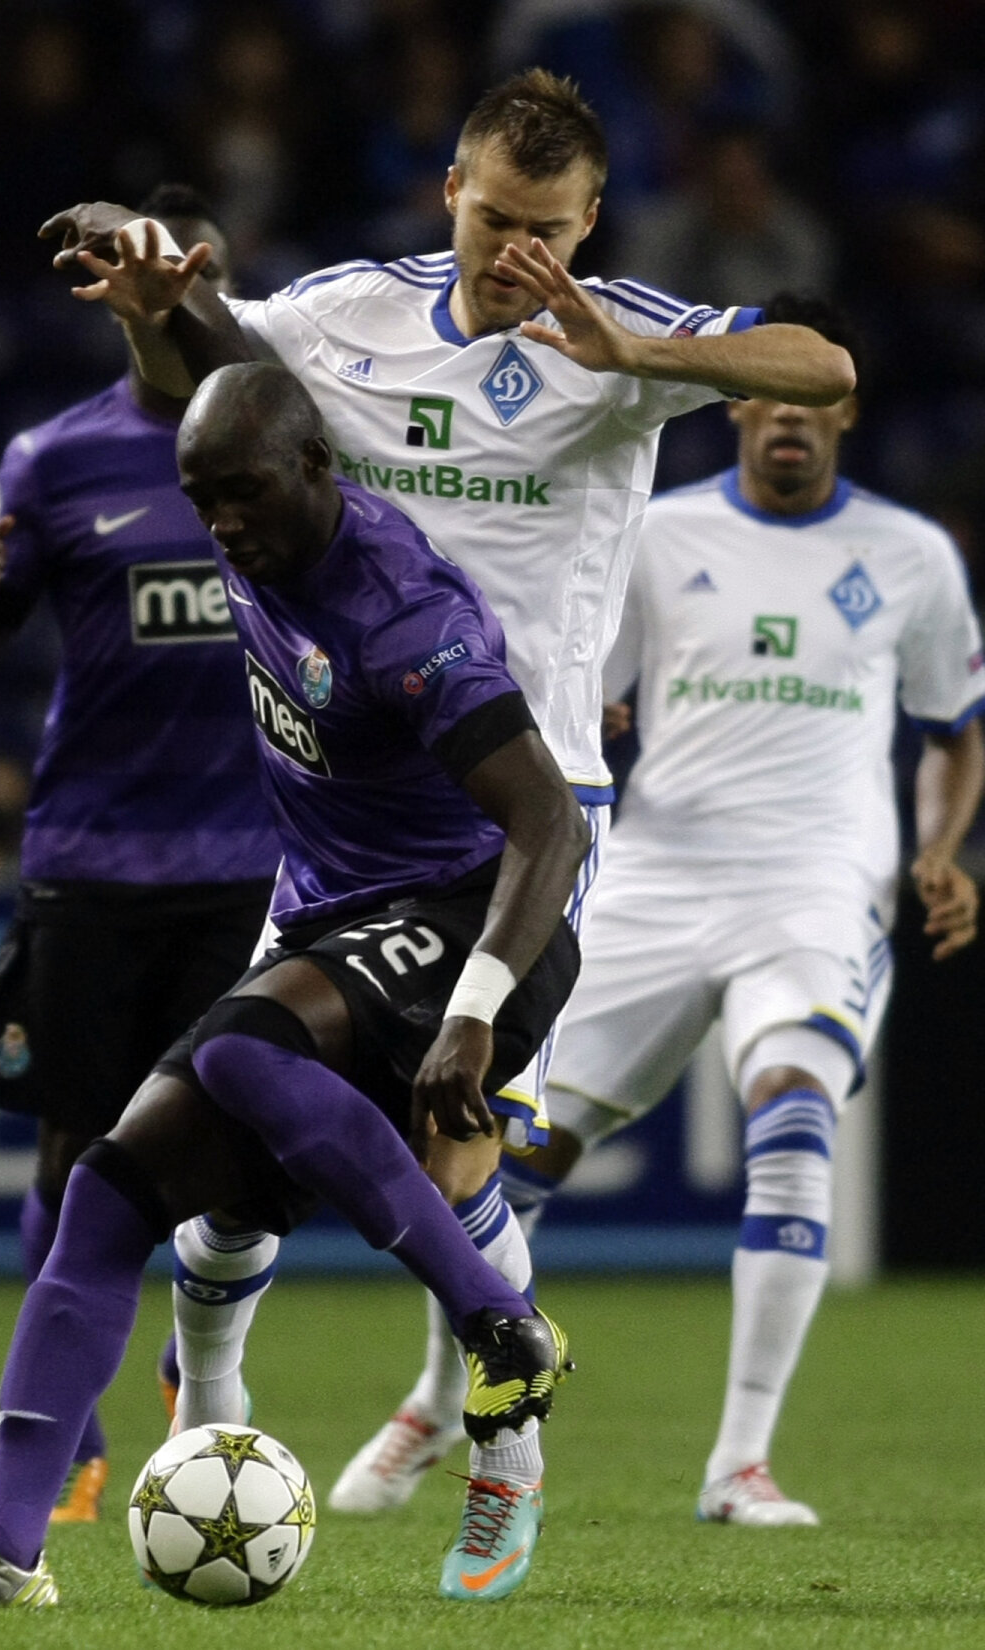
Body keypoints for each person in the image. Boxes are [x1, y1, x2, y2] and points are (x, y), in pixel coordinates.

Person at [39, 66, 855, 1512]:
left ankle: (503, 1455)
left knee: (455, 1138)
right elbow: (204, 382)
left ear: (591, 221)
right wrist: (151, 302)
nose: (516, 251)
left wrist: (636, 354)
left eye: (547, 227)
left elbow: (825, 367)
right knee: (235, 1145)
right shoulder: (349, 313)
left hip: (519, 813)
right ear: (451, 194)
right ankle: (210, 1418)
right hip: (342, 806)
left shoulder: (623, 335)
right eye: (494, 219)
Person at [0, 361, 588, 1610]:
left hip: (468, 914)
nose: (222, 523)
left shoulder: (401, 612)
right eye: (202, 499)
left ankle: (500, 1327)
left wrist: (472, 1010)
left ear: (315, 466)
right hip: (330, 918)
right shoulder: (254, 538)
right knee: (107, 1191)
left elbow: (549, 823)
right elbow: (195, 360)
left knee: (249, 1049)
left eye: (243, 493)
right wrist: (149, 297)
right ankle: (3, 1550)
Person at [331, 293, 985, 1521]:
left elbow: (956, 729)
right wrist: (599, 706)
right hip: (658, 876)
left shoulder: (911, 557)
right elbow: (579, 680)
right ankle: (438, 1400)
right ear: (735, 400)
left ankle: (740, 1463)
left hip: (817, 882)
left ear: (842, 408)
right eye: (763, 395)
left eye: (811, 400)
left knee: (793, 1112)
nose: (787, 418)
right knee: (503, 1152)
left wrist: (942, 848)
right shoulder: (661, 534)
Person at [0, 184, 281, 1523]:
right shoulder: (52, 458)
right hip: (93, 862)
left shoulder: (292, 443)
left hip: (254, 862)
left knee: (231, 1159)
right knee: (76, 1154)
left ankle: (198, 1383)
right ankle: (74, 1441)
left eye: (196, 278)